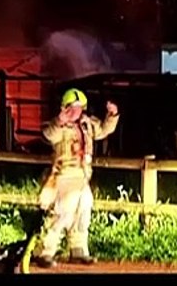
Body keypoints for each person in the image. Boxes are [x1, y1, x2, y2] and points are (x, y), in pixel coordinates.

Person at [33, 88, 119, 267]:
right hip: (64, 176)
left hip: (82, 176)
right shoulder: (59, 126)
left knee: (83, 211)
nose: (76, 111)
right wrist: (60, 121)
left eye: (79, 108)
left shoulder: (87, 124)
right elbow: (49, 135)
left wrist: (112, 115)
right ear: (64, 108)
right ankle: (46, 251)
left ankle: (78, 249)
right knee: (61, 214)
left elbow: (103, 130)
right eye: (72, 107)